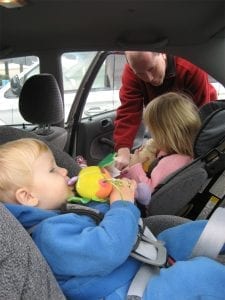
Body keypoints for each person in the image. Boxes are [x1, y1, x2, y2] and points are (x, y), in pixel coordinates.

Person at [0, 138, 224, 299]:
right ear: (28, 197)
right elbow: (108, 249)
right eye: (52, 170)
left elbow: (99, 220)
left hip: (135, 260)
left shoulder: (64, 210)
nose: (64, 172)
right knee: (198, 275)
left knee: (188, 234)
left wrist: (103, 193)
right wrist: (122, 205)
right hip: (126, 290)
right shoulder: (49, 236)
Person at [114, 51, 218, 170]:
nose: (149, 78)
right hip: (164, 122)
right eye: (141, 74)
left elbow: (201, 113)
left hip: (192, 118)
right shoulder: (132, 72)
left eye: (151, 69)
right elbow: (128, 111)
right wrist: (123, 152)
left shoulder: (190, 66)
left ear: (162, 53)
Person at [123, 92, 201, 205]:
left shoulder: (172, 162)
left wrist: (135, 166)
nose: (151, 135)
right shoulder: (174, 153)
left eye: (153, 132)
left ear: (165, 135)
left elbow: (148, 194)